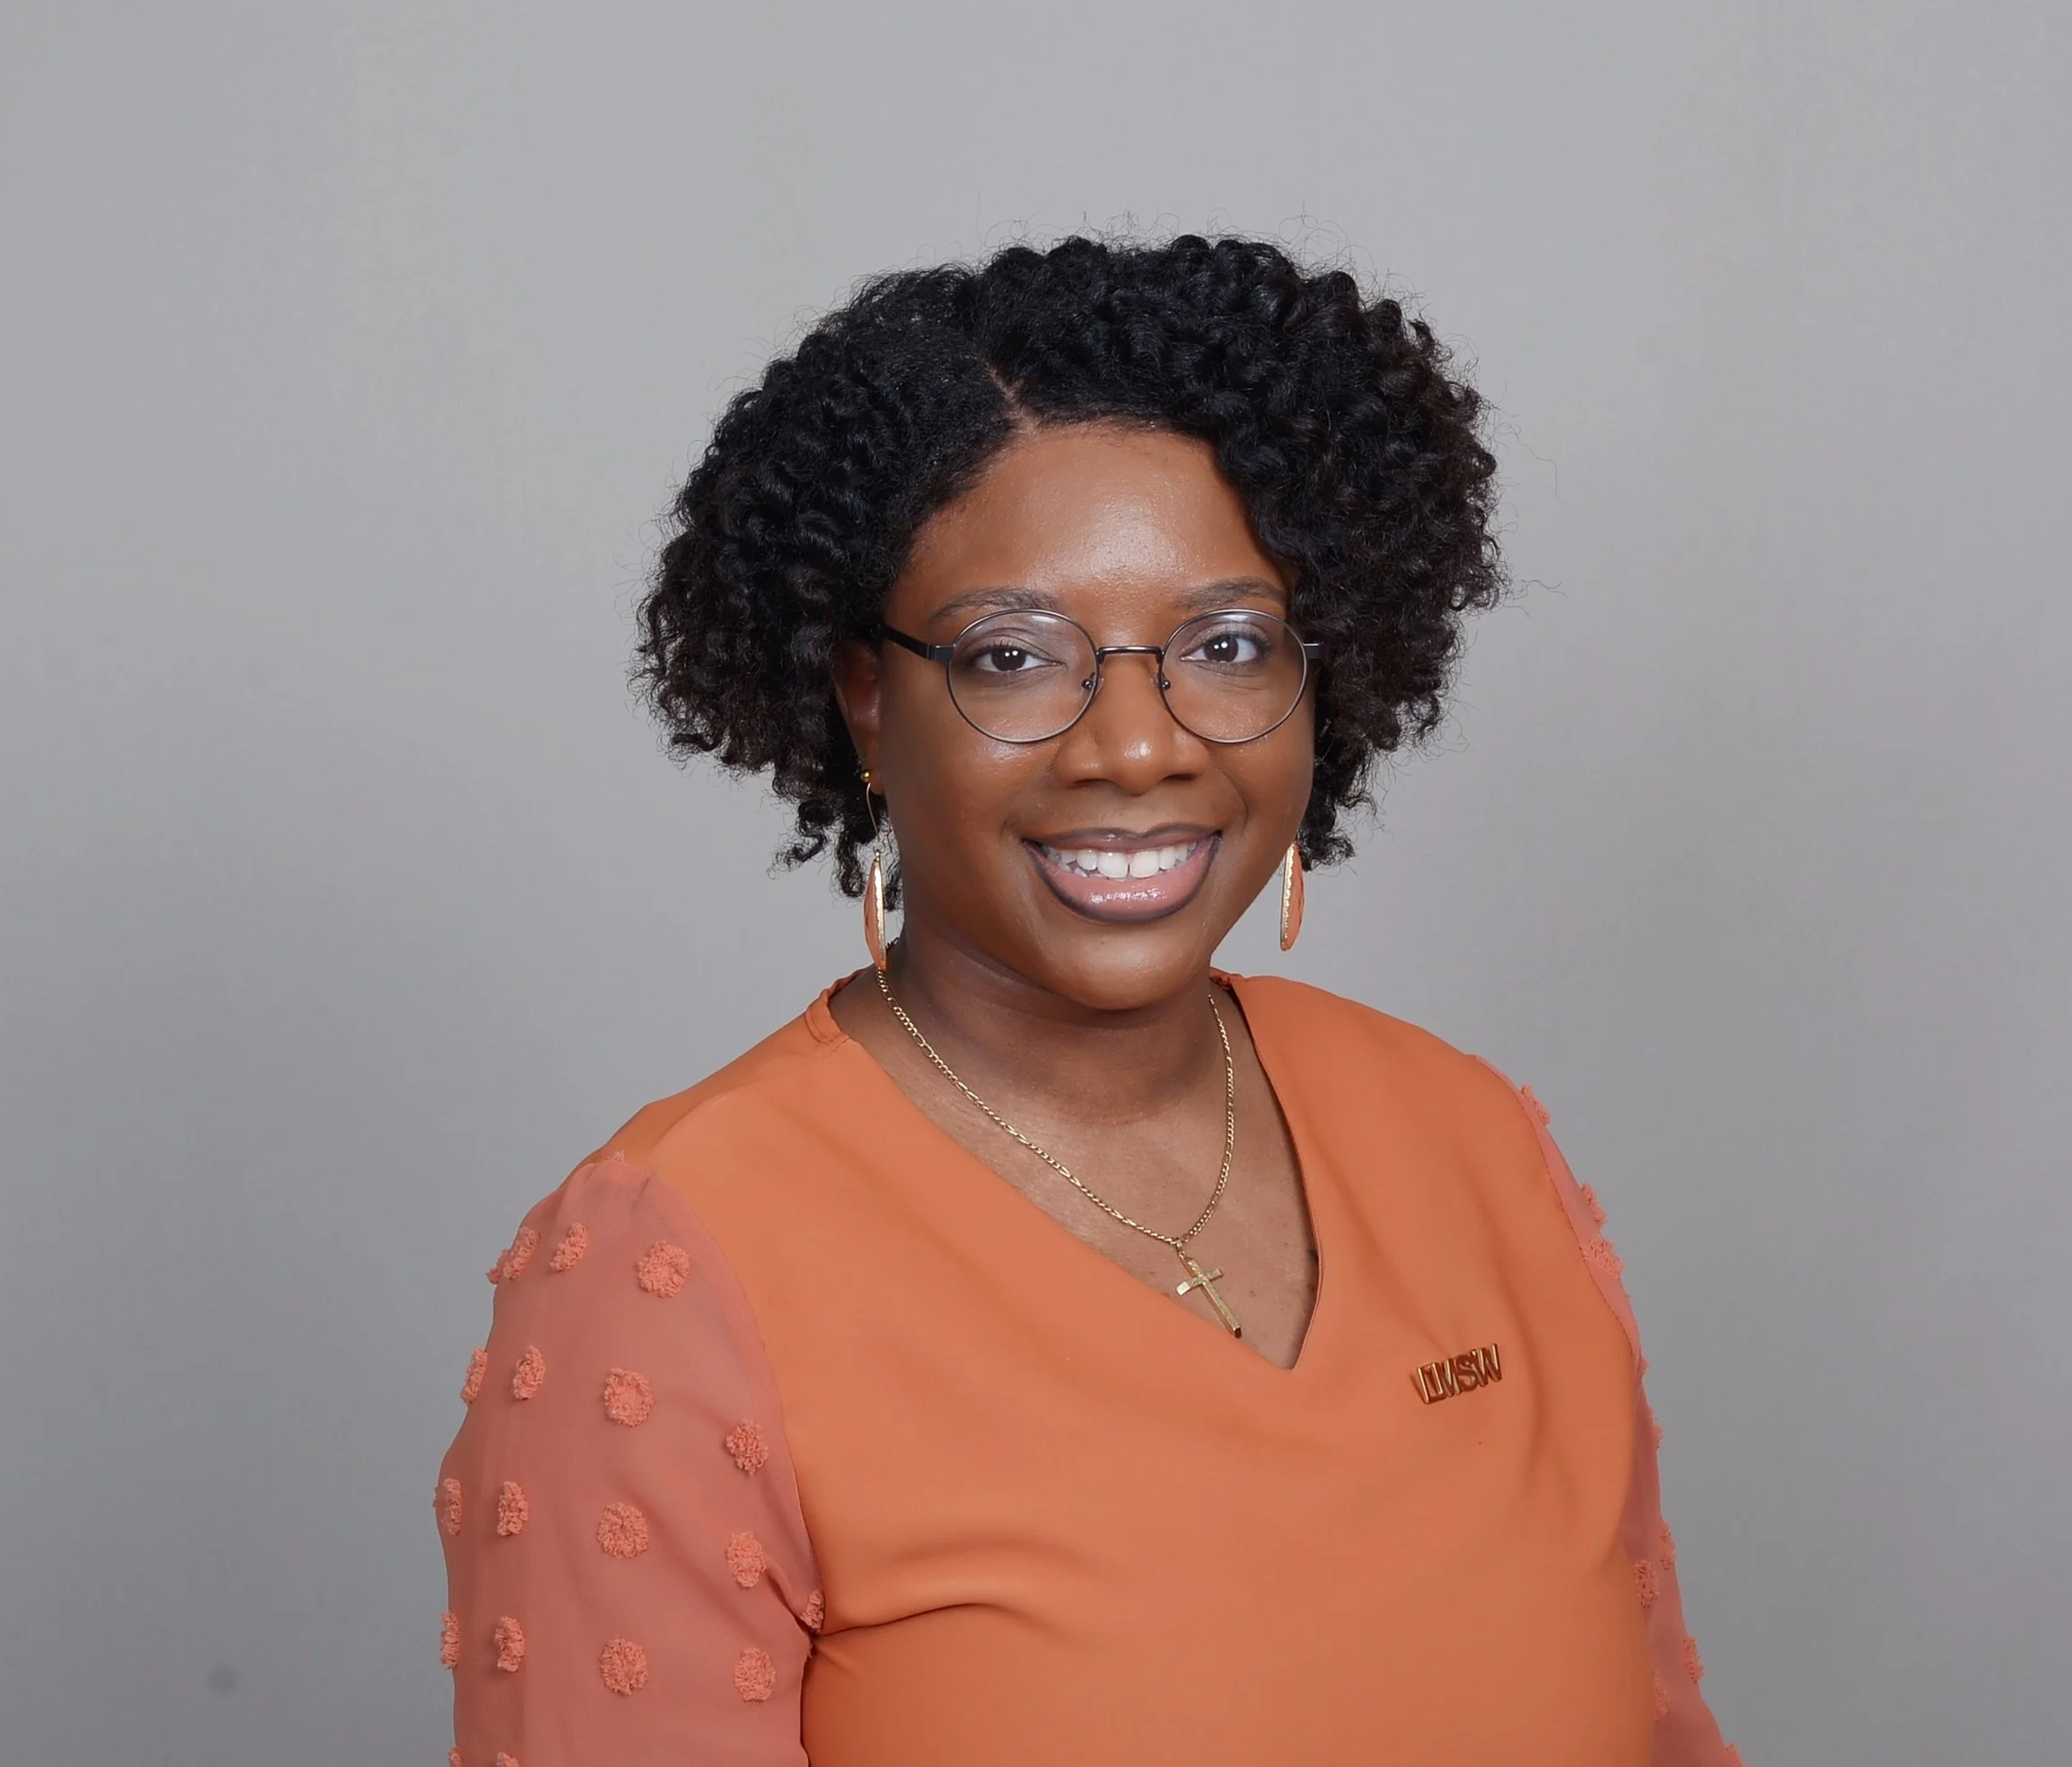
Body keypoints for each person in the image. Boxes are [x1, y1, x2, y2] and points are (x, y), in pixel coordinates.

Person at [435, 234, 1740, 1765]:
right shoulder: (669, 1261)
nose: (1137, 745)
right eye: (1013, 657)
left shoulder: (1473, 1140)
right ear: (864, 693)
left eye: (1228, 645)